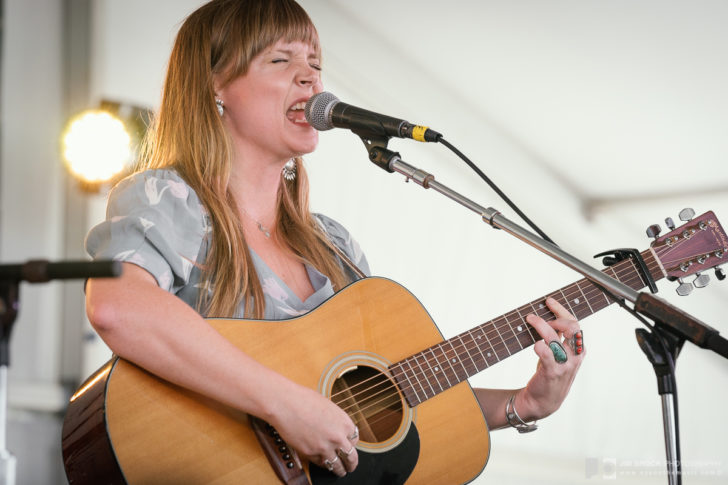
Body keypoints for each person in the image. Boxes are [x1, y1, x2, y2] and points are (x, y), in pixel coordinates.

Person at [84, 0, 585, 481]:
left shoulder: (333, 245)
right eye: (281, 59)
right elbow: (118, 309)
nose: (310, 77)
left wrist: (523, 404)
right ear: (215, 85)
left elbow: (384, 402)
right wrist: (283, 403)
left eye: (315, 63)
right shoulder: (169, 198)